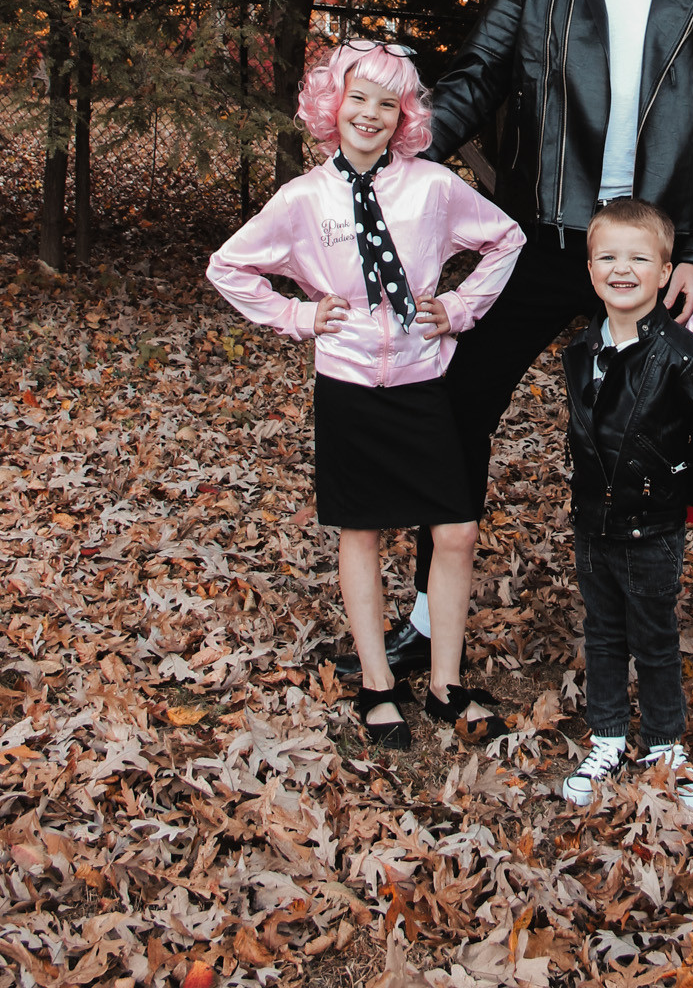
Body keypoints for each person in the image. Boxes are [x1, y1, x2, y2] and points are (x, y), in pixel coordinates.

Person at [386, 0, 693, 675]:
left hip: (643, 253)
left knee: (652, 432)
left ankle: (638, 627)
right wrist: (406, 156)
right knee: (460, 402)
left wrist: (689, 250)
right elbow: (474, 78)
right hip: (542, 238)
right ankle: (430, 611)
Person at [206, 42, 525, 747]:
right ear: (332, 104)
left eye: (389, 103)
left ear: (405, 115)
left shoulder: (433, 187)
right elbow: (229, 266)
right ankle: (378, 683)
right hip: (349, 382)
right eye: (358, 98)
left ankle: (445, 683)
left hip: (421, 379)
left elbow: (506, 239)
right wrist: (294, 315)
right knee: (363, 529)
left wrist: (463, 306)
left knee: (457, 530)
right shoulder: (303, 199)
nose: (371, 114)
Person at [560, 197, 693, 810]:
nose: (622, 269)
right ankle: (607, 734)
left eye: (639, 258)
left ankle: (664, 741)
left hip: (653, 526)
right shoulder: (581, 350)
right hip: (593, 524)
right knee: (603, 632)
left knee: (654, 636)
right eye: (607, 256)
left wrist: (680, 494)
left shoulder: (684, 357)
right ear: (590, 269)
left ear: (665, 272)